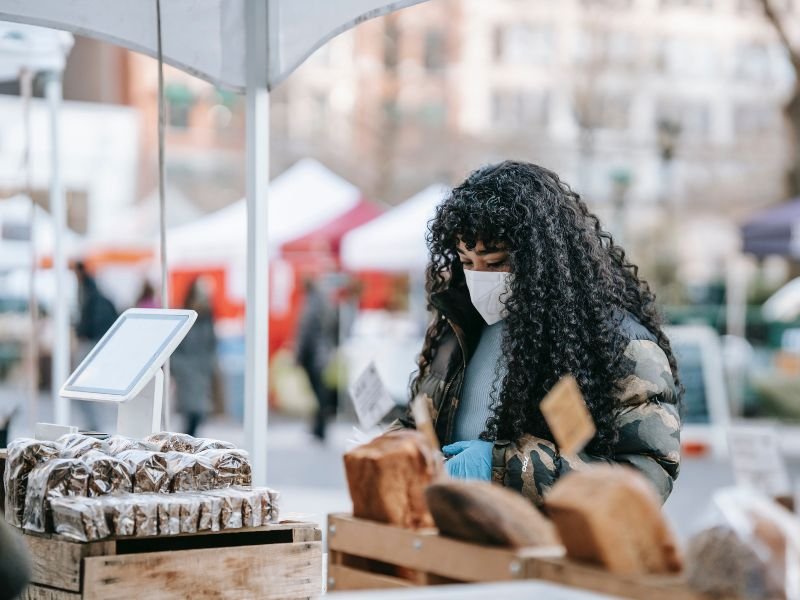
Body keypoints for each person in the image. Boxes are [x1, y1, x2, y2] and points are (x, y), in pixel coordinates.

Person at [395, 161, 682, 505]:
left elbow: (644, 480)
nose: (479, 277)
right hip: (456, 541)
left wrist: (501, 467)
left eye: (496, 261)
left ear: (539, 258)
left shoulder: (621, 346)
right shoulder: (458, 328)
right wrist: (395, 450)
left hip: (549, 553)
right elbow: (419, 420)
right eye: (467, 262)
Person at [171, 277, 218, 437]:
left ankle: (189, 439)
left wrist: (209, 364)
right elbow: (176, 345)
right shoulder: (184, 315)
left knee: (200, 410)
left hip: (201, 369)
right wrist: (179, 365)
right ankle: (188, 439)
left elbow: (211, 343)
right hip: (186, 369)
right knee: (190, 410)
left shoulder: (208, 317)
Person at [296, 278, 338, 441]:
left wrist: (299, 354)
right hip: (322, 353)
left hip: (314, 354)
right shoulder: (324, 301)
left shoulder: (313, 302)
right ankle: (319, 427)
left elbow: (305, 331)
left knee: (319, 393)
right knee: (320, 392)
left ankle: (319, 428)